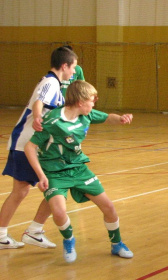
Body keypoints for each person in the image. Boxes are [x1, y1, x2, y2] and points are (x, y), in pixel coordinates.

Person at [24, 80, 134, 263]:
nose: (94, 103)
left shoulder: (87, 114)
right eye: (92, 100)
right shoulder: (52, 120)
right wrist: (41, 175)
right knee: (59, 212)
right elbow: (30, 147)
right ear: (80, 102)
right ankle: (69, 240)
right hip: (55, 172)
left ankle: (117, 244)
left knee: (109, 207)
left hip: (79, 169)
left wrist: (121, 118)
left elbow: (107, 117)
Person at [0, 46, 77, 249]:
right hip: (25, 144)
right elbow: (39, 102)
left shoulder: (55, 85)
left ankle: (33, 231)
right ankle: (14, 233)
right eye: (73, 67)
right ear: (64, 65)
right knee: (25, 190)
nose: (74, 72)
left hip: (36, 146)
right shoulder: (50, 82)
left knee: (51, 187)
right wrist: (36, 116)